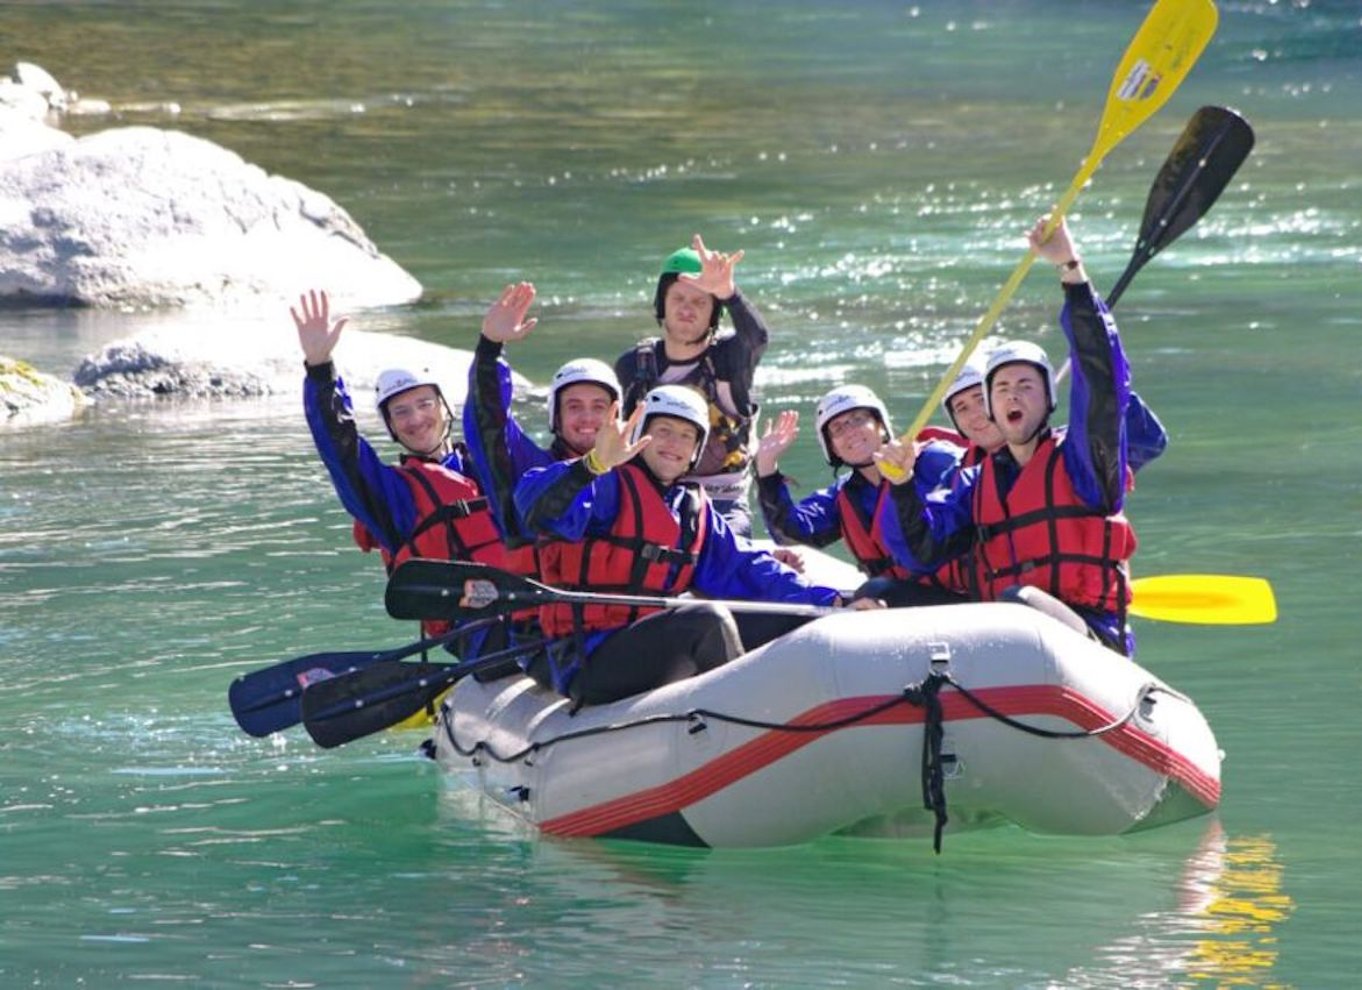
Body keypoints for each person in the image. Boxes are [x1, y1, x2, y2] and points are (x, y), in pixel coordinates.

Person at [874, 216, 1142, 655]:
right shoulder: (975, 484)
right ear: (993, 407)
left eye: (1025, 386)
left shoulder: (1082, 462)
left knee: (1017, 604)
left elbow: (1101, 379)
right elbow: (920, 552)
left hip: (1088, 639)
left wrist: (1071, 271)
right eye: (1001, 388)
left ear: (1048, 402)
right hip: (1006, 639)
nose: (1012, 395)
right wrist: (902, 487)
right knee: (883, 591)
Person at [514, 385, 876, 707]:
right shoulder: (604, 484)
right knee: (707, 621)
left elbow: (747, 570)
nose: (674, 444)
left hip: (652, 641)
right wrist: (590, 465)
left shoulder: (691, 509)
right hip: (588, 657)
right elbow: (533, 508)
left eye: (686, 436)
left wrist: (833, 603)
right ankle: (746, 725)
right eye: (663, 432)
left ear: (695, 451)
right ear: (640, 437)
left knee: (789, 615)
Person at [293, 288, 509, 658]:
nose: (416, 419)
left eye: (424, 404)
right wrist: (320, 371)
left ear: (444, 408)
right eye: (401, 412)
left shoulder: (488, 464)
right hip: (472, 630)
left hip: (536, 605)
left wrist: (492, 345)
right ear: (391, 426)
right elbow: (340, 449)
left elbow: (493, 412)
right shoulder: (391, 494)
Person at [755, 385, 965, 607]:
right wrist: (767, 465)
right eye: (837, 428)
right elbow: (791, 533)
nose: (850, 431)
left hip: (961, 597)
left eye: (858, 419)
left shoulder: (934, 459)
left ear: (881, 426)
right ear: (832, 448)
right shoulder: (842, 495)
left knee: (875, 590)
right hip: (899, 601)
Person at [615, 234, 768, 538]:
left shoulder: (729, 359)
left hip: (720, 504)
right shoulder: (633, 366)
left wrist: (728, 293)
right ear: (663, 304)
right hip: (650, 497)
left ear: (714, 314)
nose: (688, 309)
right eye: (678, 299)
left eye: (700, 302)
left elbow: (757, 337)